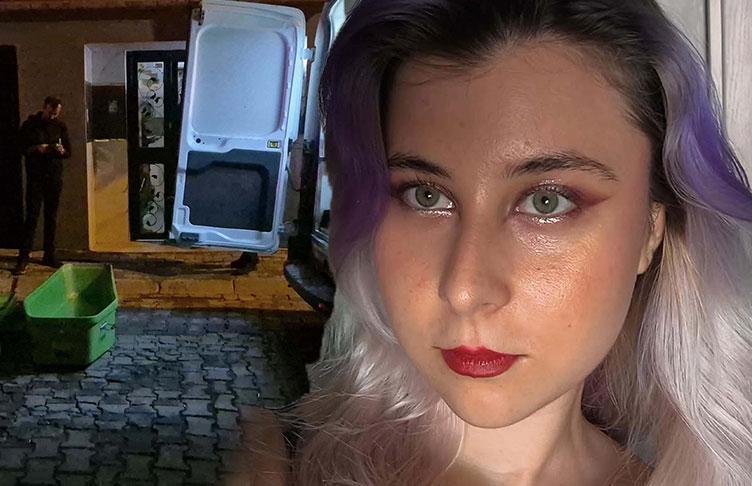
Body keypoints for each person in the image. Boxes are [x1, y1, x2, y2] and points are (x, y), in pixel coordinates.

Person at [228, 1, 752, 485]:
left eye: (547, 202)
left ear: (651, 231)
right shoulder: (280, 468)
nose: (464, 289)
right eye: (426, 195)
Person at [13, 96, 71, 275]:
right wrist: (36, 149)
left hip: (54, 177)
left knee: (51, 217)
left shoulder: (60, 126)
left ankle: (49, 255)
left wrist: (62, 150)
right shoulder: (30, 125)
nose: (53, 116)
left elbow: (68, 151)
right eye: (52, 112)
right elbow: (19, 147)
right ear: (45, 107)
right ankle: (24, 257)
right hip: (36, 178)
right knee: (32, 217)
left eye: (56, 113)